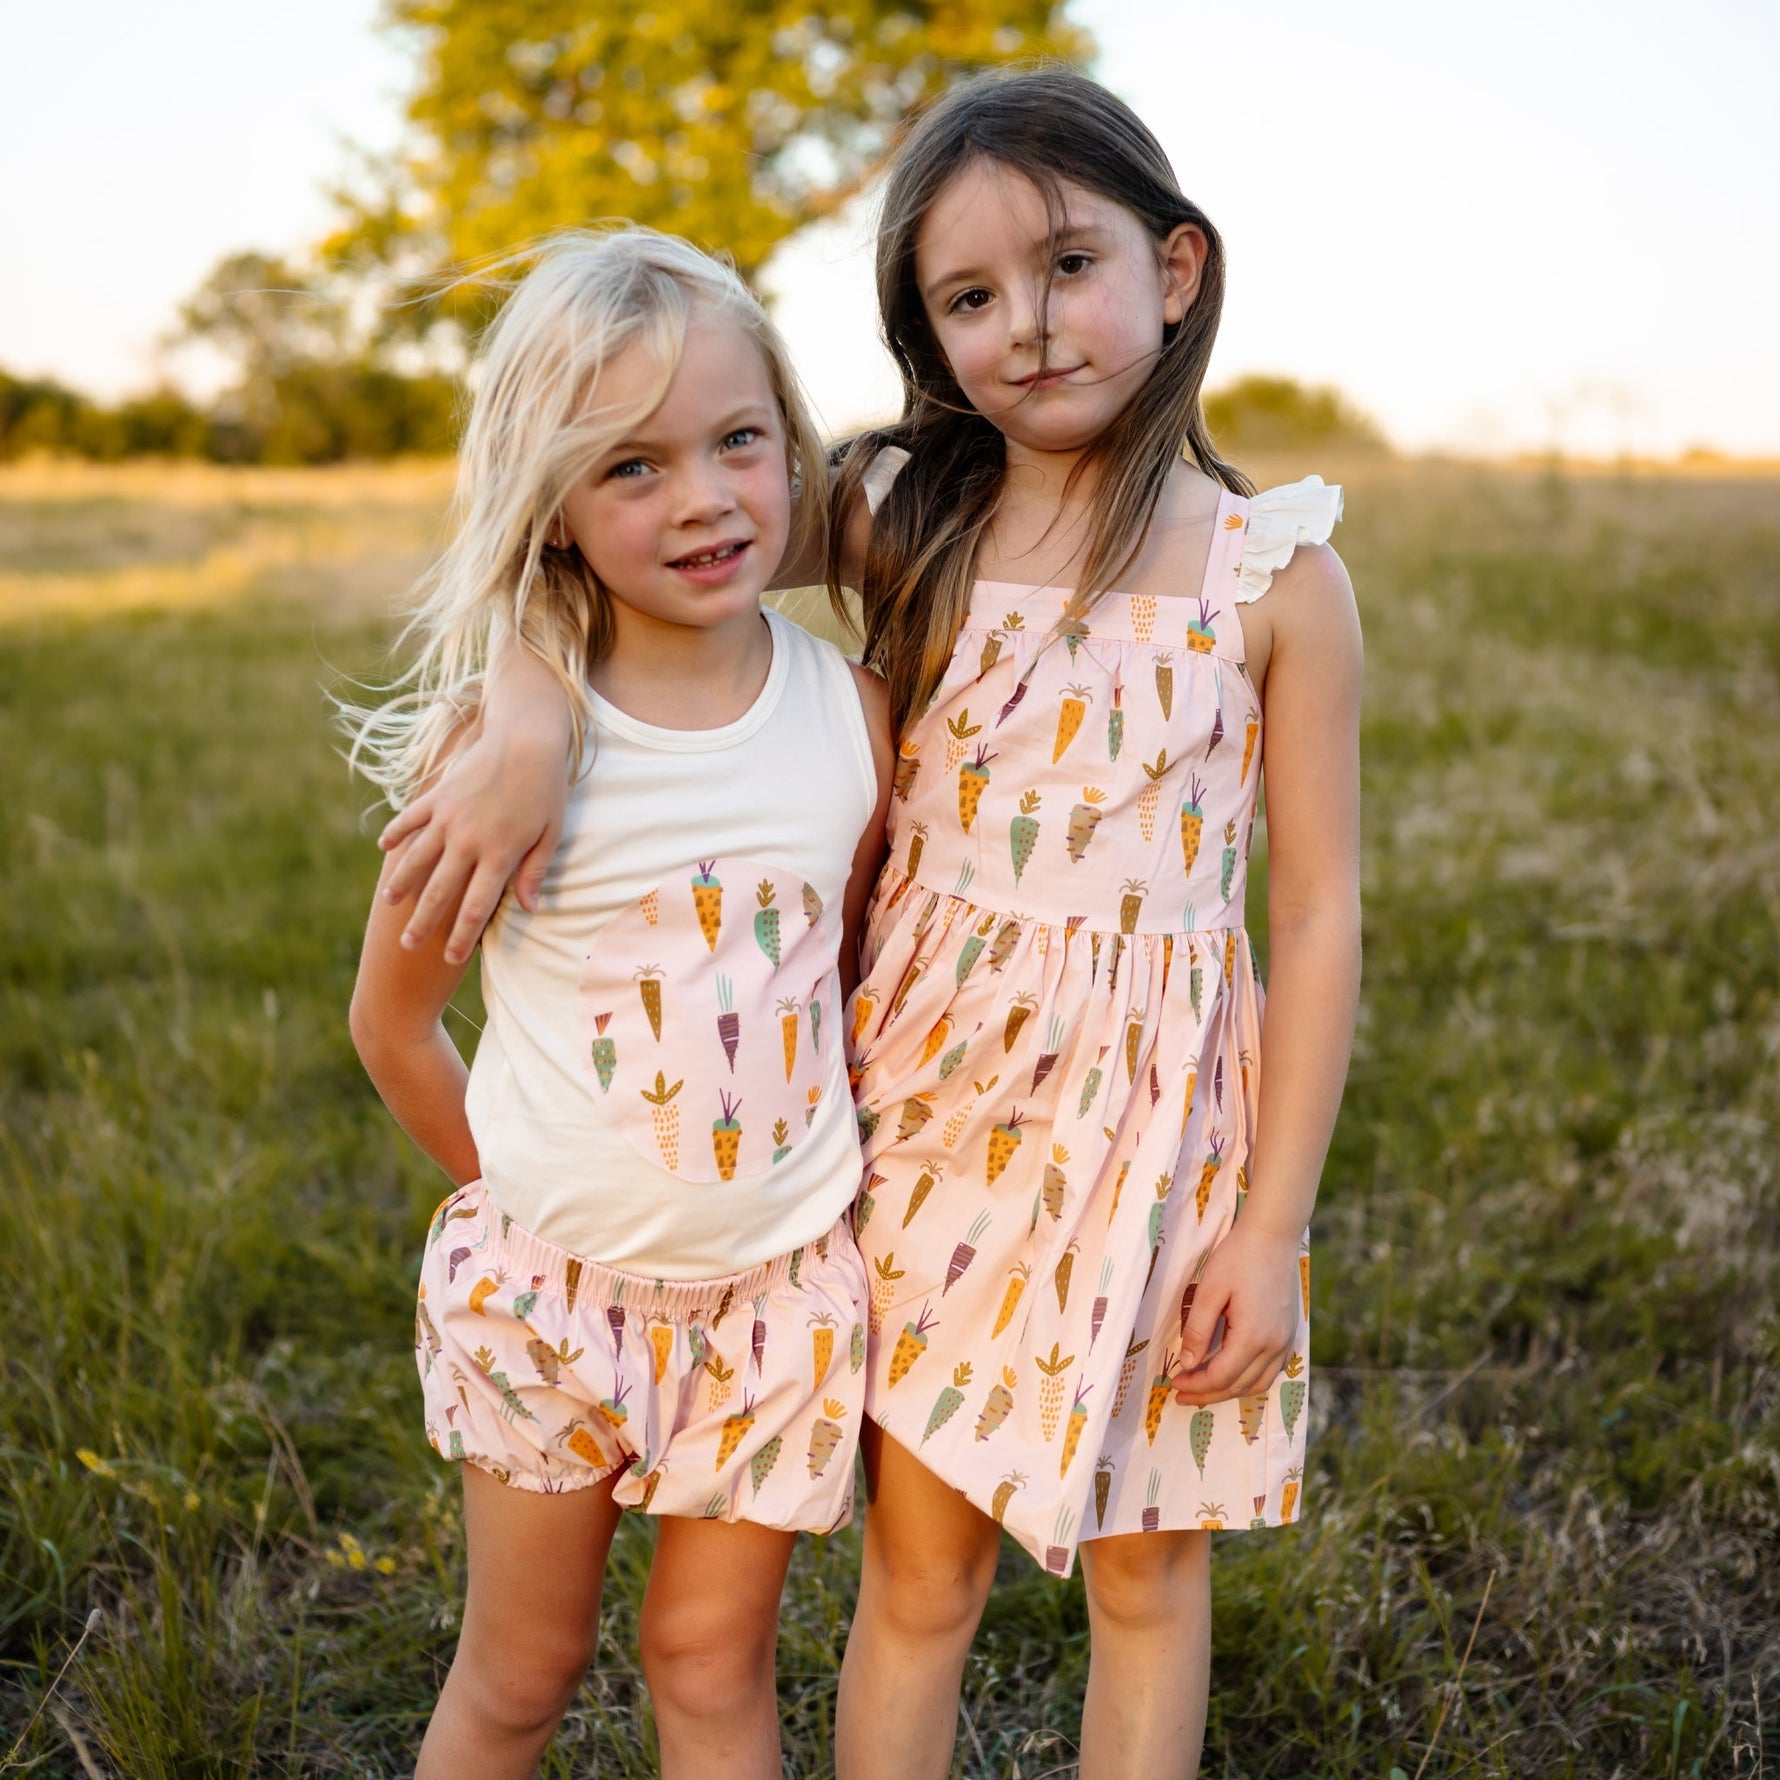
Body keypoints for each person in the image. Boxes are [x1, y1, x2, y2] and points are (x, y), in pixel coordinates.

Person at [380, 67, 1361, 1780]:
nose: (1029, 328)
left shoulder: (1278, 575)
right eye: (967, 297)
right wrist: (529, 713)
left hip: (1160, 1127)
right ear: (922, 328)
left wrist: (1270, 1226)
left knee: (1149, 1564)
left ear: (1179, 268)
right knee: (922, 1568)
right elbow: (623, 541)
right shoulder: (914, 514)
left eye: (1067, 266)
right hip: (922, 1115)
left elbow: (1324, 905)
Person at [345, 227, 894, 1780]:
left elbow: (835, 980)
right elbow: (391, 1026)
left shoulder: (851, 718)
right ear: (560, 512)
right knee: (524, 1671)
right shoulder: (510, 743)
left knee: (711, 1668)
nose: (707, 498)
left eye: (739, 441)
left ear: (793, 447)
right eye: (632, 468)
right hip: (552, 1303)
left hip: (775, 1305)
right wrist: (525, 1210)